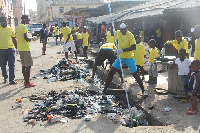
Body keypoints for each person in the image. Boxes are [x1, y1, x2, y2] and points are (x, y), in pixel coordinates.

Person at [103, 23, 145, 95]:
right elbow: (112, 33)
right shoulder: (119, 33)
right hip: (121, 57)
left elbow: (133, 47)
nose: (123, 31)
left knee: (135, 74)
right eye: (122, 30)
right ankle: (105, 89)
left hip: (129, 57)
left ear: (126, 28)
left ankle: (143, 91)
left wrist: (122, 50)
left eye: (124, 29)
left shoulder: (130, 35)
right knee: (111, 72)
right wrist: (112, 26)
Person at [16, 15, 35, 88]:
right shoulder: (23, 27)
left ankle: (25, 81)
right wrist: (32, 38)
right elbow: (25, 38)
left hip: (20, 48)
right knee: (28, 66)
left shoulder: (18, 27)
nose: (28, 21)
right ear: (24, 19)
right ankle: (27, 82)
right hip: (25, 48)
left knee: (23, 65)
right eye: (28, 19)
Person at [0, 16, 17, 84]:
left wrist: (17, 47)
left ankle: (11, 79)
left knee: (11, 65)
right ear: (0, 22)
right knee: (3, 65)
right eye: (3, 21)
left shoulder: (10, 29)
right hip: (1, 50)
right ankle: (5, 77)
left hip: (10, 49)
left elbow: (13, 39)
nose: (5, 23)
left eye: (5, 21)